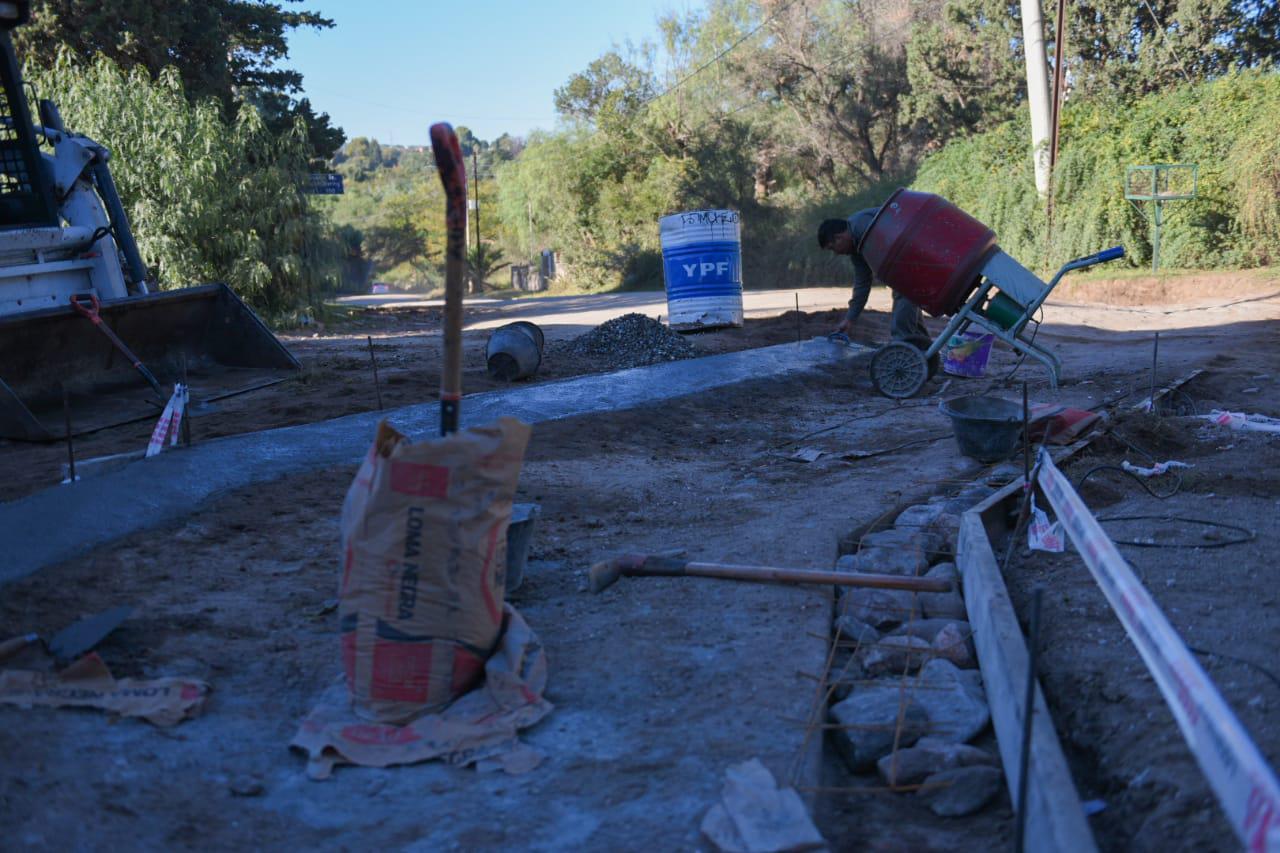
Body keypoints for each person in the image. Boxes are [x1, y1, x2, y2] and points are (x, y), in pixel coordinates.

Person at [817, 210, 930, 348]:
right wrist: (849, 319)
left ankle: (902, 350)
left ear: (839, 237)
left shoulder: (863, 226)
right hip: (908, 266)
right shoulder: (857, 248)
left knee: (902, 308)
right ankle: (924, 353)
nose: (836, 253)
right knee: (907, 306)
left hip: (919, 251)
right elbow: (862, 285)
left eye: (832, 248)